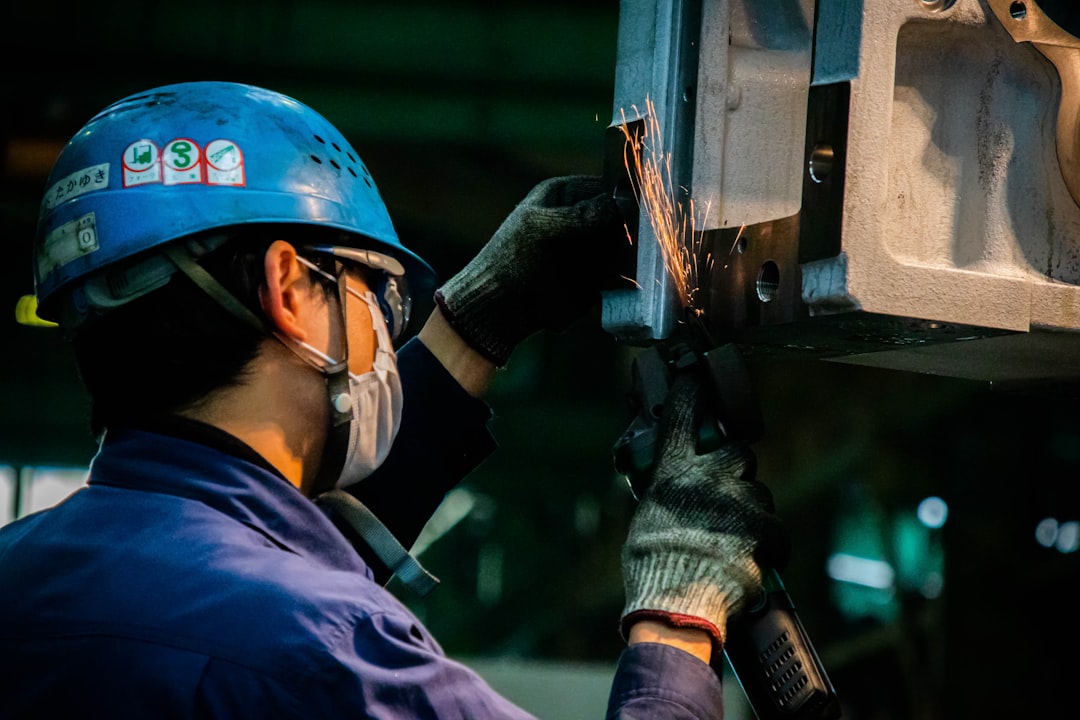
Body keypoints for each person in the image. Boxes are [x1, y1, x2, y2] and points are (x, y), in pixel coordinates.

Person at [0, 81, 787, 718]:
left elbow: (257, 547)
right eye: (373, 291)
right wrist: (676, 614)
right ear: (289, 288)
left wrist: (481, 321)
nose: (383, 327)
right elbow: (278, 598)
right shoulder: (333, 653)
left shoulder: (21, 576)